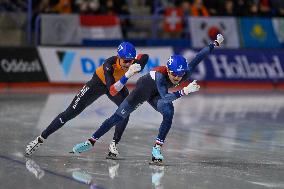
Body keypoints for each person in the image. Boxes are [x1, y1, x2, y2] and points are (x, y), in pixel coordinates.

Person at [71, 34, 224, 165]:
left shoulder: (184, 72)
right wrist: (183, 91)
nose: (177, 78)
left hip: (156, 95)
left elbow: (199, 56)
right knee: (118, 116)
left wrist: (214, 44)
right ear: (168, 71)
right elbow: (165, 96)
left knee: (169, 112)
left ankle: (157, 148)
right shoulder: (159, 75)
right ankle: (91, 141)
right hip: (144, 90)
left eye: (180, 75)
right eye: (174, 75)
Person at [25, 42, 149, 158]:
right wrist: (127, 75)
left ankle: (113, 145)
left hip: (117, 84)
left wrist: (138, 64)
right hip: (98, 84)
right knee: (69, 113)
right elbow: (112, 90)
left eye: (131, 61)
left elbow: (144, 56)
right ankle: (40, 138)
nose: (128, 64)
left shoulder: (133, 62)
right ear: (118, 57)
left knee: (125, 111)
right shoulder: (109, 65)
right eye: (126, 61)